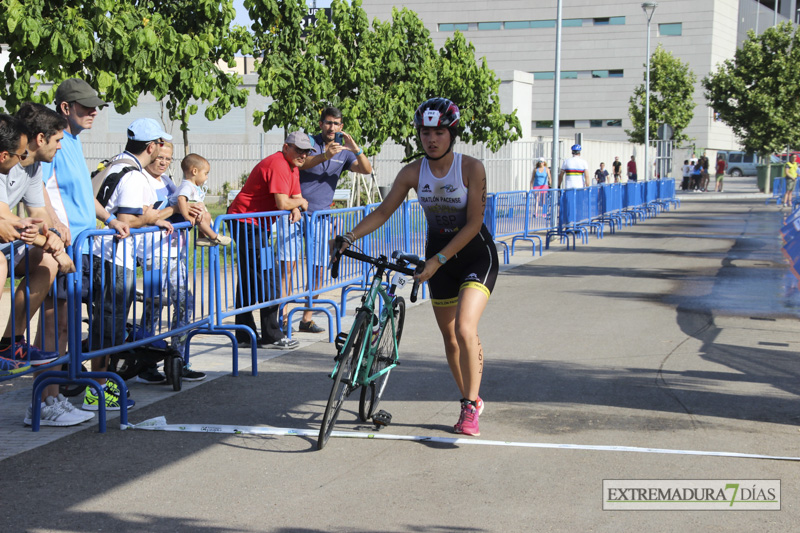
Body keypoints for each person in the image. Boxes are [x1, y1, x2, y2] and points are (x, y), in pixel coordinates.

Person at [335, 98, 498, 437]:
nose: (431, 138)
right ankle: (472, 397)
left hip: (473, 255)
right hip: (438, 257)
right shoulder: (412, 172)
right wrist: (348, 237)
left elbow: (473, 224)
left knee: (466, 329)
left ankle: (469, 408)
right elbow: (383, 213)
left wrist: (437, 261)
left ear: (451, 133)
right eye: (425, 132)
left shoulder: (471, 168)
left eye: (439, 131)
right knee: (450, 340)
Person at [40, 78, 131, 412]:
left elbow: (84, 196)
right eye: (86, 106)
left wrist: (110, 220)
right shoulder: (53, 141)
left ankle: (52, 396)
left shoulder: (73, 141)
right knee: (55, 325)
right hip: (61, 247)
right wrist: (54, 227)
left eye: (95, 106)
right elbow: (39, 191)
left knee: (64, 324)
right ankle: (44, 400)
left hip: (80, 248)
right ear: (66, 108)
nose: (94, 112)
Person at [85, 118, 174, 410]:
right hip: (114, 257)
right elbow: (126, 219)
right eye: (160, 144)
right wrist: (150, 218)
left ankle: (100, 382)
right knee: (109, 327)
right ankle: (97, 389)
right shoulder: (134, 175)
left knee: (106, 325)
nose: (161, 149)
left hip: (101, 254)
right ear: (151, 146)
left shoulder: (113, 163)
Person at [227, 131, 312, 350]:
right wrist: (298, 203)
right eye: (299, 150)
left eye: (306, 151)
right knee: (267, 277)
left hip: (256, 224)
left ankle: (244, 335)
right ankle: (271, 334)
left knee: (249, 278)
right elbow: (285, 202)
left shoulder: (292, 167)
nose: (303, 155)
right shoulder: (278, 164)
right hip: (246, 223)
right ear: (286, 147)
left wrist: (297, 208)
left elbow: (294, 202)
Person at [293, 106, 373, 334]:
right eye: (328, 123)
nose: (332, 127)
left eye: (336, 124)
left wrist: (355, 148)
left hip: (321, 216)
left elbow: (367, 169)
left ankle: (306, 318)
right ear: (320, 124)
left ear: (341, 126)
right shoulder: (309, 141)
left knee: (318, 268)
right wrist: (325, 155)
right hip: (295, 212)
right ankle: (283, 315)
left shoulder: (346, 151)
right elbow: (301, 163)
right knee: (288, 267)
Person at [135, 143, 207, 384]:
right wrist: (175, 209)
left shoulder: (168, 182)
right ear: (150, 154)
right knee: (154, 304)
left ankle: (179, 358)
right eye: (160, 157)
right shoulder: (140, 180)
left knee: (185, 301)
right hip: (152, 252)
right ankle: (145, 362)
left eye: (168, 158)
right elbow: (145, 216)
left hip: (175, 252)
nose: (163, 162)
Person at [0, 112, 64, 381]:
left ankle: (9, 343)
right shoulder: (7, 165)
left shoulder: (32, 167)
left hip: (7, 241)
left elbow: (39, 217)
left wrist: (53, 240)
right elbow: (6, 219)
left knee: (46, 261)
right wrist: (56, 248)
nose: (21, 158)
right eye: (58, 139)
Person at [170, 153, 231, 247]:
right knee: (200, 217)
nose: (206, 177)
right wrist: (186, 215)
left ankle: (202, 237)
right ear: (194, 171)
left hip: (184, 215)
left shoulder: (194, 186)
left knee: (206, 215)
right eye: (205, 173)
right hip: (178, 216)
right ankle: (214, 237)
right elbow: (181, 199)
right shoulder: (187, 186)